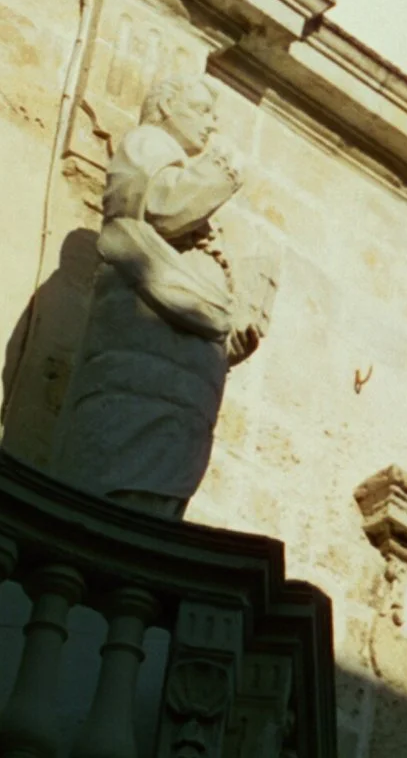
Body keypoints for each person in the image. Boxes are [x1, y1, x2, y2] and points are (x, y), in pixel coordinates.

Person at [50, 75, 271, 517]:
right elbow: (163, 209)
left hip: (181, 379)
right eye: (202, 110)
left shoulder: (174, 161)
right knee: (124, 469)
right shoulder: (148, 143)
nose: (211, 125)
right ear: (167, 107)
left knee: (160, 477)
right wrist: (222, 173)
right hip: (144, 369)